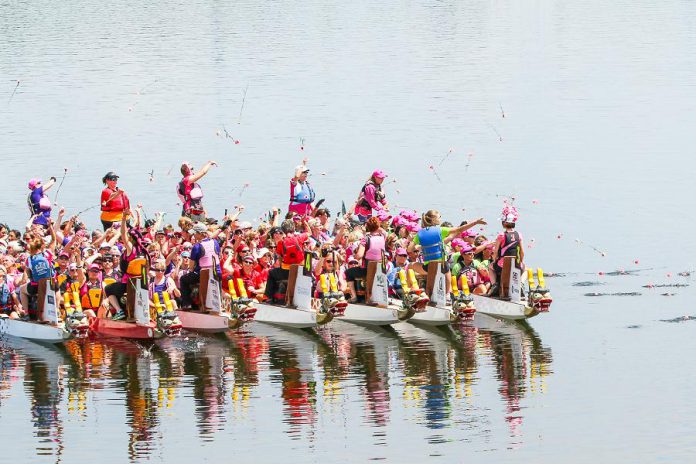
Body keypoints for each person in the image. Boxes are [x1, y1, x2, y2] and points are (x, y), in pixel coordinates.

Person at [408, 210, 486, 297]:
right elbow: (460, 229)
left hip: (428, 268)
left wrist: (418, 245)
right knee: (447, 269)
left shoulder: (420, 233)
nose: (440, 218)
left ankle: (410, 290)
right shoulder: (441, 230)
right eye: (439, 217)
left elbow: (409, 249)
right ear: (433, 220)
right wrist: (475, 222)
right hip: (443, 267)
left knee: (410, 266)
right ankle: (448, 294)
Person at [263, 219, 309, 304]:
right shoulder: (299, 237)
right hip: (301, 271)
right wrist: (305, 224)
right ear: (293, 229)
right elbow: (309, 233)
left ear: (283, 231)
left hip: (286, 272)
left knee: (271, 273)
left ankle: (269, 298)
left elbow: (280, 258)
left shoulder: (281, 242)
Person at [179, 222, 221, 310]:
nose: (193, 235)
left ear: (200, 234)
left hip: (203, 274)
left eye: (194, 233)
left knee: (183, 279)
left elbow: (191, 267)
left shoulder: (197, 246)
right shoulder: (215, 242)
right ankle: (220, 304)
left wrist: (190, 271)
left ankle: (187, 305)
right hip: (217, 272)